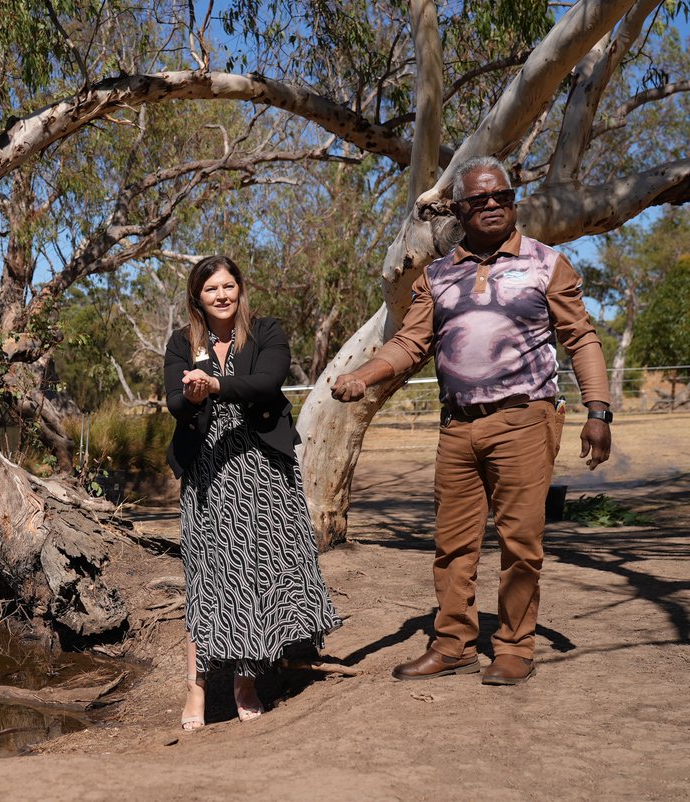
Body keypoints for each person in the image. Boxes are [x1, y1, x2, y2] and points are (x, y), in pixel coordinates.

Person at [332, 155, 612, 686]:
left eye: (501, 197)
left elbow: (580, 338)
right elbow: (412, 342)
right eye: (478, 199)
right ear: (459, 209)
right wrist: (363, 377)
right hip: (457, 427)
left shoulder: (546, 263)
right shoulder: (437, 275)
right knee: (452, 544)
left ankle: (513, 646)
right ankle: (454, 642)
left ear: (513, 201)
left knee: (520, 542)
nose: (491, 205)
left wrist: (598, 410)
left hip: (523, 420)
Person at [164, 255, 341, 730]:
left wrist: (214, 385)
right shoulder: (183, 342)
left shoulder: (266, 331)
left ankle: (246, 681)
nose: (221, 295)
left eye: (228, 286)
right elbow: (174, 400)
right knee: (209, 575)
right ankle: (196, 688)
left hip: (261, 467)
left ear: (240, 289)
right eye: (210, 289)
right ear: (197, 298)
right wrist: (193, 397)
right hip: (208, 473)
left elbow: (268, 382)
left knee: (258, 572)